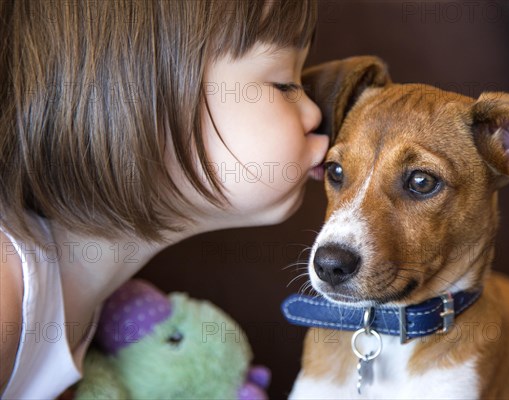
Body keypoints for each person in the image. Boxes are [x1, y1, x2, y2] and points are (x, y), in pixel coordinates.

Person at [0, 1, 327, 398]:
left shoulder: (79, 311)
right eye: (284, 84)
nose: (314, 113)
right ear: (136, 96)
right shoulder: (7, 287)